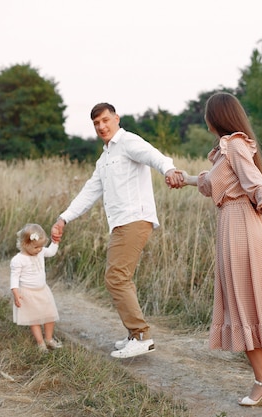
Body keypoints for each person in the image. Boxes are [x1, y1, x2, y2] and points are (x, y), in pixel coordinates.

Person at [175, 92, 262, 406]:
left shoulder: (234, 145)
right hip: (240, 226)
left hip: (240, 228)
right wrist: (181, 178)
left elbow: (256, 184)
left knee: (242, 305)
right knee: (259, 304)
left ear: (216, 118)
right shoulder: (226, 151)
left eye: (207, 115)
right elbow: (212, 184)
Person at [51, 102, 182, 359]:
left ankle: (141, 335)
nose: (101, 126)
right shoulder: (105, 159)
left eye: (105, 120)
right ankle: (135, 335)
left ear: (116, 119)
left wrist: (169, 170)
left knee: (116, 277)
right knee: (119, 277)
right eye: (96, 123)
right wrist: (63, 218)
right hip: (121, 223)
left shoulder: (128, 142)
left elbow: (154, 156)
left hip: (135, 219)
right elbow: (89, 192)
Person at [10, 223, 63, 353]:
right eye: (36, 247)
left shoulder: (40, 252)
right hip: (28, 293)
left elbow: (50, 252)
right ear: (24, 244)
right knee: (35, 319)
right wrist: (15, 293)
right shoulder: (18, 260)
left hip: (43, 290)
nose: (39, 250)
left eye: (41, 246)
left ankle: (49, 339)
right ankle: (40, 343)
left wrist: (55, 242)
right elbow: (14, 277)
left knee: (49, 315)